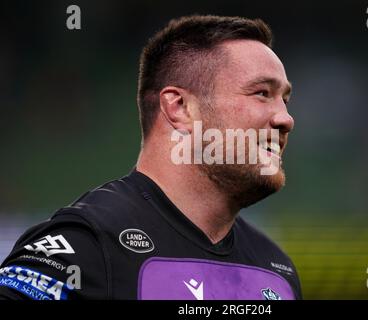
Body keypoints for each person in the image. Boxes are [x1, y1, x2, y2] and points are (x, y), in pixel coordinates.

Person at [0, 15, 300, 300]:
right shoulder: (89, 245)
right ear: (180, 107)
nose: (286, 119)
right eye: (262, 93)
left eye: (284, 100)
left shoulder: (275, 269)